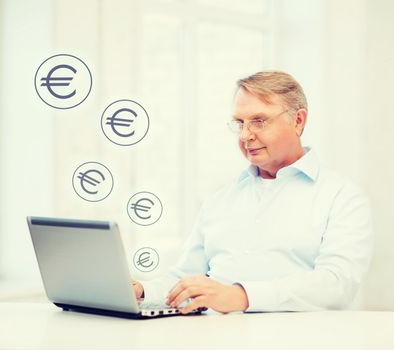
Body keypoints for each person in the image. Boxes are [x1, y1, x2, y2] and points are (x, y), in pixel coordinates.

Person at [133, 71, 373, 314]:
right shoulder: (219, 200)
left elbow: (336, 285)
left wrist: (243, 297)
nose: (246, 135)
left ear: (298, 121)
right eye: (240, 123)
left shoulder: (342, 197)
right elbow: (186, 279)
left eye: (259, 121)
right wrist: (142, 291)